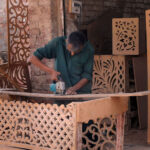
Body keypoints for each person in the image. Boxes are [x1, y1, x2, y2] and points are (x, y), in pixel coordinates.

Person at [30, 31, 94, 95]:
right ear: (66, 41)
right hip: (60, 88)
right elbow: (33, 58)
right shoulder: (57, 43)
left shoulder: (89, 50)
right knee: (58, 104)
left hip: (81, 91)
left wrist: (73, 89)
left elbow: (87, 75)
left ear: (83, 46)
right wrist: (51, 71)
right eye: (70, 50)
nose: (72, 53)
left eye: (76, 52)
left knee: (83, 104)